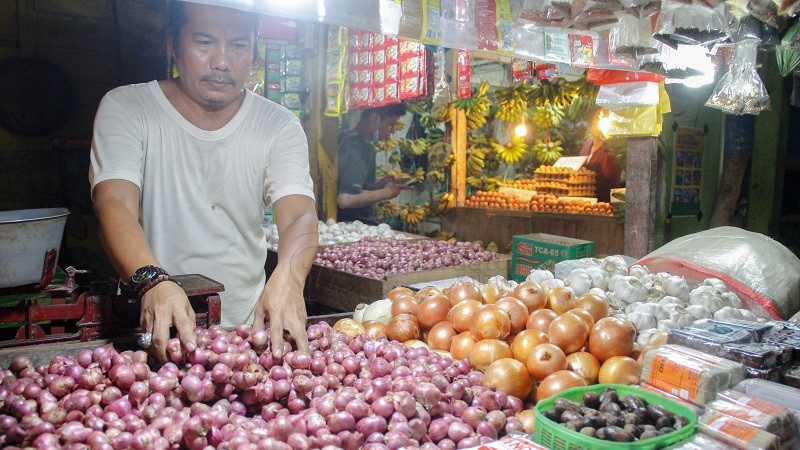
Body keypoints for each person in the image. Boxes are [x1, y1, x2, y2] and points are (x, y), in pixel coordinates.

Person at [89, 1, 318, 361]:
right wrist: (153, 281)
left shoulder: (279, 125)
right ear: (172, 45)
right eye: (205, 42)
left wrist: (289, 278)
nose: (222, 62)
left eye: (238, 45)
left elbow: (298, 217)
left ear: (254, 51)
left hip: (248, 336)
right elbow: (113, 204)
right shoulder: (127, 108)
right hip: (155, 335)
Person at [337, 104, 407, 224]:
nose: (392, 130)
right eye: (390, 124)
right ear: (375, 118)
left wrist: (379, 185)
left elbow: (354, 188)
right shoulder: (360, 148)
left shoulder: (346, 137)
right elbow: (345, 200)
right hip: (355, 224)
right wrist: (386, 193)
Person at [580, 111, 622, 202]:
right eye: (595, 123)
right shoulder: (587, 145)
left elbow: (611, 174)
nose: (598, 127)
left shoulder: (612, 148)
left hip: (604, 201)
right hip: (584, 201)